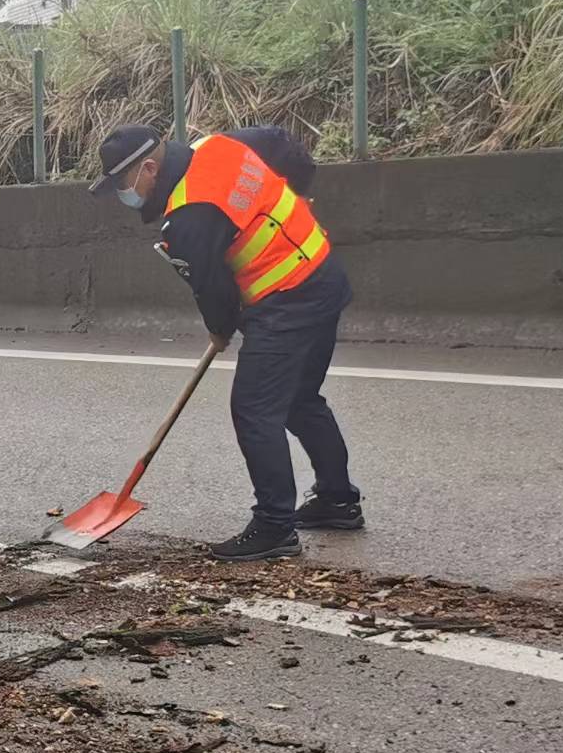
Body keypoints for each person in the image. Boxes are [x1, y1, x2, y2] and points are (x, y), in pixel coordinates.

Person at [86, 124, 361, 561]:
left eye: (124, 185)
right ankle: (338, 501)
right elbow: (280, 142)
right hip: (322, 275)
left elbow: (213, 290)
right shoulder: (218, 145)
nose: (125, 195)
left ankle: (274, 527)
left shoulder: (191, 214)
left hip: (286, 301)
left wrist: (220, 328)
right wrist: (296, 195)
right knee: (300, 400)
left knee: (255, 409)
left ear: (150, 169)